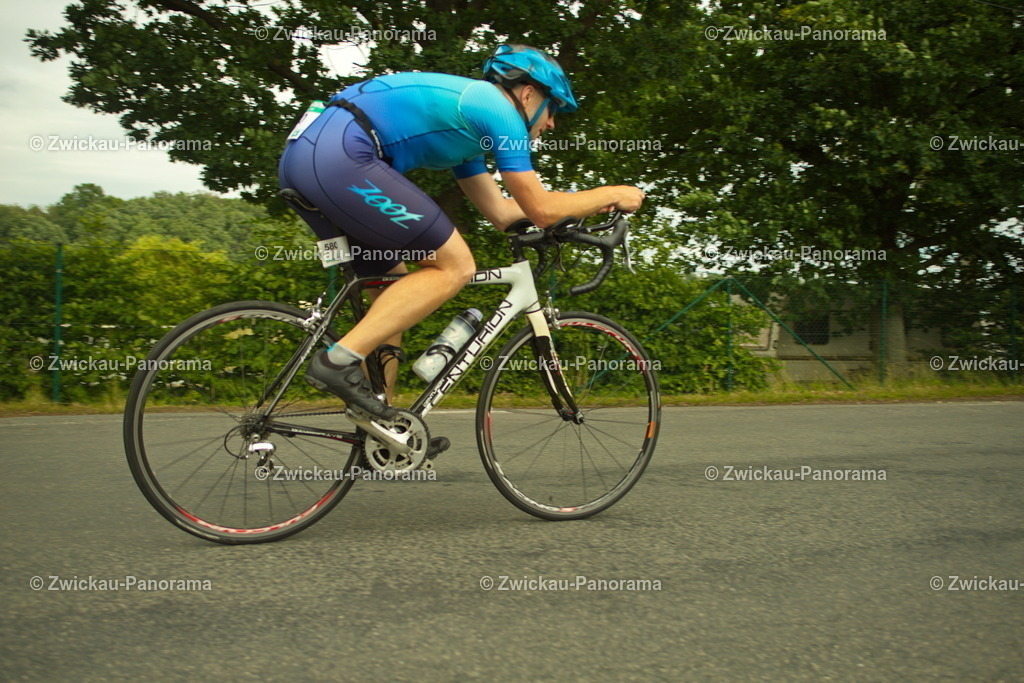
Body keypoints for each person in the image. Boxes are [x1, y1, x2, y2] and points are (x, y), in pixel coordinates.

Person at [277, 44, 645, 453]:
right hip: (342, 156)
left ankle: (381, 432)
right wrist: (615, 193)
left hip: (309, 156)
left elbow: (506, 214)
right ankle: (335, 362)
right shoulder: (497, 109)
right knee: (455, 266)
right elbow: (540, 208)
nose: (552, 123)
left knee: (391, 299)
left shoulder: (469, 134)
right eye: (552, 108)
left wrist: (567, 224)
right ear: (528, 95)